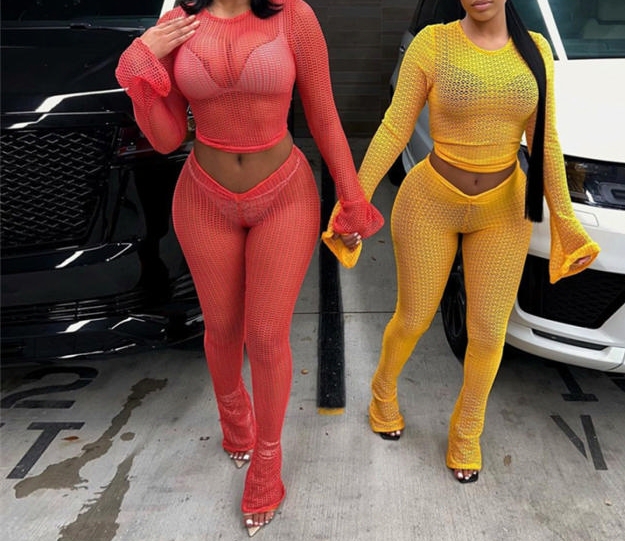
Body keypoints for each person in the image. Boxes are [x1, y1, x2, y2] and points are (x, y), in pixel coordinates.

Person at [115, 0, 383, 535]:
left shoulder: (293, 16)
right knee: (221, 328)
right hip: (203, 197)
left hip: (284, 194)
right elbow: (167, 139)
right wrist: (139, 65)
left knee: (265, 335)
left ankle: (267, 458)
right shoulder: (179, 23)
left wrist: (352, 198)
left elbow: (324, 114)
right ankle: (233, 415)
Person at [329, 0, 600, 484]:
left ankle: (466, 430)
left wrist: (566, 222)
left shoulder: (536, 51)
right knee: (413, 318)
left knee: (489, 332)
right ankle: (383, 391)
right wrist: (354, 202)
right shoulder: (433, 44)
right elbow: (394, 127)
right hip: (429, 204)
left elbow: (545, 142)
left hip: (503, 212)